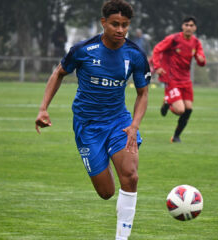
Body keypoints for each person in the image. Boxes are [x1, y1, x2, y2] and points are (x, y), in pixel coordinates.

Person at [35, 1, 150, 239]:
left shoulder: (135, 55)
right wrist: (43, 108)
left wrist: (134, 125)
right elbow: (59, 73)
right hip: (88, 126)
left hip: (119, 121)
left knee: (130, 175)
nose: (120, 30)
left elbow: (143, 94)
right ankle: (102, 157)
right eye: (115, 24)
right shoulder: (83, 50)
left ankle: (122, 237)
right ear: (103, 23)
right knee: (106, 192)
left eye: (125, 25)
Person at [152, 16, 206, 143]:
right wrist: (157, 67)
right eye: (186, 25)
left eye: (191, 25)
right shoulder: (174, 39)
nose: (188, 27)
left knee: (188, 109)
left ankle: (176, 136)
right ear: (182, 26)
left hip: (186, 80)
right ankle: (168, 102)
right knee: (180, 110)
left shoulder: (196, 43)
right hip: (172, 79)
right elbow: (157, 49)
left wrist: (201, 59)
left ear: (195, 28)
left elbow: (201, 61)